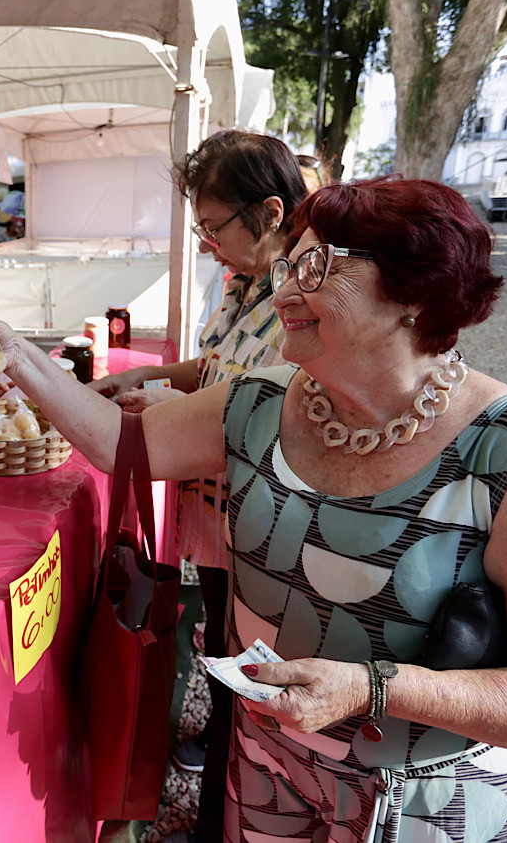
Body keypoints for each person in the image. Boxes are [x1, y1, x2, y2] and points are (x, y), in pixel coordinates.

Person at [0, 177, 507, 841]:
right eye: (287, 265)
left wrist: (375, 688)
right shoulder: (255, 404)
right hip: (268, 771)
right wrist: (14, 352)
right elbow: (118, 442)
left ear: (416, 293)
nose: (281, 292)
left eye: (315, 267)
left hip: (432, 806)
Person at [87, 129, 307, 841]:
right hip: (213, 520)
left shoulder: (301, 302)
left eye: (214, 227)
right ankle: (216, 747)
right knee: (221, 633)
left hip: (256, 521)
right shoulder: (243, 282)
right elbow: (214, 365)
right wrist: (143, 379)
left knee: (252, 664)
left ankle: (223, 810)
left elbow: (261, 414)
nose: (207, 242)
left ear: (270, 214)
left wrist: (165, 415)